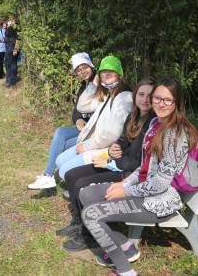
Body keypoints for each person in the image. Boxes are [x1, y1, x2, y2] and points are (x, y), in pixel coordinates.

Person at [79, 77, 198, 275]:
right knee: (86, 195)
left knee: (91, 215)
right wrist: (124, 184)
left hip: (161, 201)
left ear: (176, 103)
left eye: (167, 100)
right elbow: (145, 167)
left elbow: (161, 183)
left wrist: (125, 190)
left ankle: (125, 271)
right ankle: (126, 246)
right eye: (157, 98)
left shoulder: (176, 134)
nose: (160, 103)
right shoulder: (155, 123)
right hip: (144, 189)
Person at [60, 77, 156, 252]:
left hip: (131, 175)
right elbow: (121, 142)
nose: (145, 99)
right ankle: (78, 222)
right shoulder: (133, 116)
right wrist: (114, 150)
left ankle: (89, 237)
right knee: (71, 175)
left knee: (81, 184)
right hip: (119, 165)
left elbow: (142, 163)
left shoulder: (153, 124)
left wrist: (114, 160)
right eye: (141, 94)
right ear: (135, 96)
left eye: (150, 96)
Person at [54, 55, 132, 179]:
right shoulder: (107, 96)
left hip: (106, 149)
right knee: (59, 160)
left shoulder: (124, 98)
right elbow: (82, 106)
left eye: (110, 72)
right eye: (103, 73)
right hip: (94, 143)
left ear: (119, 74)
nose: (106, 75)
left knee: (64, 172)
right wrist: (93, 85)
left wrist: (86, 146)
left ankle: (88, 182)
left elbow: (111, 135)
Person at [27, 53, 97, 189]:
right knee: (61, 133)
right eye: (78, 70)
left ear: (91, 66)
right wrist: (78, 120)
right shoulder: (83, 86)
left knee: (62, 146)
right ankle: (49, 175)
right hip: (84, 128)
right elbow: (76, 111)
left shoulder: (98, 83)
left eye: (84, 67)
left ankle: (49, 175)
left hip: (95, 130)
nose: (82, 71)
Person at [4, 16, 20, 87]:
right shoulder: (9, 28)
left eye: (11, 20)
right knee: (7, 64)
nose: (9, 21)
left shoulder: (17, 28)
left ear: (14, 21)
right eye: (9, 20)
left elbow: (18, 39)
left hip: (13, 48)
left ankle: (12, 81)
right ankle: (8, 80)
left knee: (13, 64)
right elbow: (7, 38)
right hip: (8, 48)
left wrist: (16, 49)